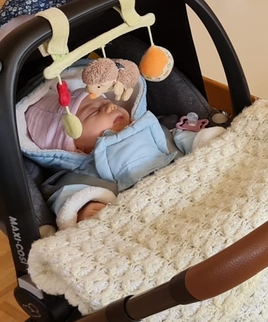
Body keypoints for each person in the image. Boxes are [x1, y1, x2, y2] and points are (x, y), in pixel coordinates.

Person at [19, 64, 225, 228]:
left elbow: (184, 139)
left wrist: (209, 141)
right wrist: (84, 208)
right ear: (73, 146)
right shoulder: (83, 173)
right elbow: (67, 198)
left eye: (106, 102)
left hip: (196, 189)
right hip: (147, 219)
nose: (110, 105)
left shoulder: (154, 126)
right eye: (94, 112)